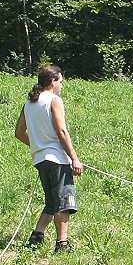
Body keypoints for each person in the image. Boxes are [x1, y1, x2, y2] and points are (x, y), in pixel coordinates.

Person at [15, 65, 83, 253]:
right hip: (57, 159)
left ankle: (36, 236)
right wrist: (75, 158)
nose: (61, 84)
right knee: (64, 200)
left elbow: (19, 133)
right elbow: (62, 131)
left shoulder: (29, 103)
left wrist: (38, 146)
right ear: (52, 81)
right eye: (60, 81)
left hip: (40, 159)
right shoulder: (54, 100)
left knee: (52, 200)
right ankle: (62, 244)